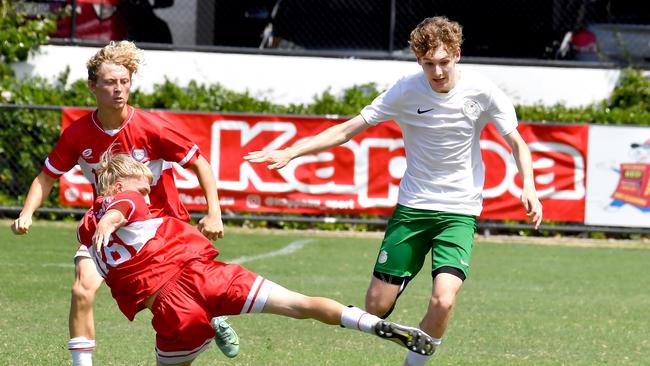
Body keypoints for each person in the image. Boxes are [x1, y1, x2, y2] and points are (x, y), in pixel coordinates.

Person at [244, 16, 543, 366]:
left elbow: (517, 143)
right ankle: (395, 309)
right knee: (375, 307)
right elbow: (348, 129)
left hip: (459, 212)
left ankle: (413, 363)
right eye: (429, 64)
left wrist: (529, 186)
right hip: (413, 209)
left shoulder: (483, 90)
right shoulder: (406, 89)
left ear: (458, 55)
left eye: (444, 62)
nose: (438, 72)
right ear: (419, 61)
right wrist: (290, 152)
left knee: (444, 300)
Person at [78, 151, 436, 365]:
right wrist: (111, 217)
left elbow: (117, 213)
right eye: (141, 183)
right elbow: (122, 205)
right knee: (300, 304)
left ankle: (211, 322)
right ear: (118, 181)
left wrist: (107, 223)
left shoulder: (89, 225)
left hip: (174, 308)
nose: (146, 190)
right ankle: (372, 325)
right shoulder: (122, 200)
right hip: (208, 277)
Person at [10, 41, 239, 365]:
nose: (119, 90)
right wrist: (27, 212)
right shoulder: (77, 133)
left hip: (159, 228)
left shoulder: (152, 127)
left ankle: (213, 316)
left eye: (124, 82)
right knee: (82, 289)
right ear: (92, 86)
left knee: (173, 302)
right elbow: (46, 177)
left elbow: (199, 162)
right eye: (110, 82)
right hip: (108, 224)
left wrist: (214, 214)